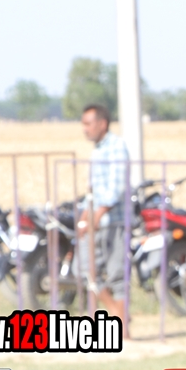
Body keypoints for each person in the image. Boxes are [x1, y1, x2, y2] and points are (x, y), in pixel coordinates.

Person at [77, 104, 130, 332]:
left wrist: (97, 215)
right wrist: (84, 217)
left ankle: (123, 327)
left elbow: (116, 188)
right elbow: (92, 191)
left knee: (117, 274)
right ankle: (116, 311)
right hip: (96, 221)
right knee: (85, 269)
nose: (85, 129)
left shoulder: (116, 147)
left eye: (88, 124)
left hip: (113, 221)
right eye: (83, 124)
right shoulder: (97, 151)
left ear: (102, 124)